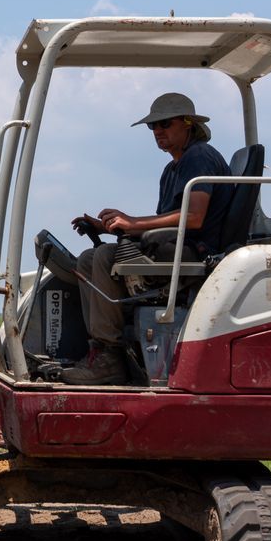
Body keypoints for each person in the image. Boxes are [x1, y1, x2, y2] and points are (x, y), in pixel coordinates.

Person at [60, 93, 232, 385]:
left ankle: (110, 358)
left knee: (103, 258)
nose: (158, 131)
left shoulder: (199, 157)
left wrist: (133, 223)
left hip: (195, 251)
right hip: (172, 246)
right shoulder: (172, 169)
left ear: (187, 123)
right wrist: (109, 227)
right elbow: (163, 223)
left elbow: (194, 218)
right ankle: (99, 350)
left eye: (164, 123)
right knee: (88, 258)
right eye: (152, 127)